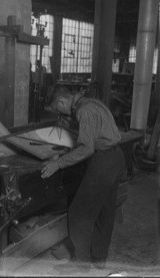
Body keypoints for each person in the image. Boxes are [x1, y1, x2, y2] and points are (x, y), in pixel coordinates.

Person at [41, 85, 125, 273]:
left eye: (57, 109)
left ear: (62, 102)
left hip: (103, 162)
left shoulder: (83, 110)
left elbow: (87, 148)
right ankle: (99, 258)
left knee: (79, 214)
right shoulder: (91, 103)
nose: (58, 112)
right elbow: (96, 131)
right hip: (117, 158)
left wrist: (59, 163)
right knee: (105, 212)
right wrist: (70, 125)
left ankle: (81, 264)